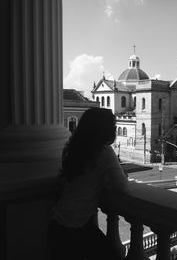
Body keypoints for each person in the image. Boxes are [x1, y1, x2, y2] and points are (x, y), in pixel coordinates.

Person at [47, 108, 129, 260]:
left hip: (59, 225)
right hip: (74, 228)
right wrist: (122, 174)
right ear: (104, 130)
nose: (115, 129)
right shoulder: (104, 152)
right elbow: (122, 186)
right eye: (113, 126)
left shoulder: (72, 148)